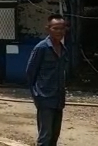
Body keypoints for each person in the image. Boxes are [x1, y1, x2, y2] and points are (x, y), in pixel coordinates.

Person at [26, 13, 68, 146]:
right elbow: (30, 72)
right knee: (45, 136)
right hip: (44, 97)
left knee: (54, 136)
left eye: (62, 28)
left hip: (58, 98)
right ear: (48, 29)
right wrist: (36, 95)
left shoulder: (63, 49)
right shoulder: (41, 48)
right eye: (56, 28)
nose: (59, 31)